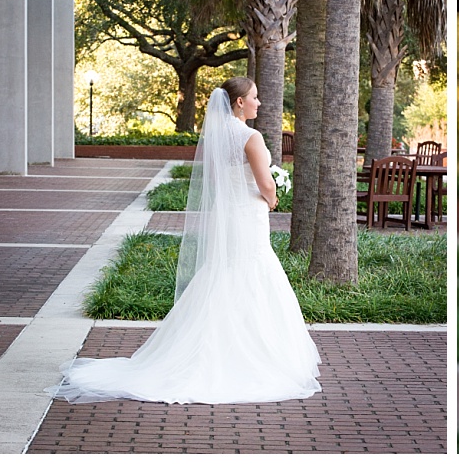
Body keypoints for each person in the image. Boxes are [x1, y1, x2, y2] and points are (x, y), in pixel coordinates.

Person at [47, 77, 322, 404]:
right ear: (238, 103)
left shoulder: (219, 137)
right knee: (252, 272)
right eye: (254, 97)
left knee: (225, 273)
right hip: (248, 214)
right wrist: (275, 196)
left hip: (229, 215)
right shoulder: (251, 137)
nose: (258, 103)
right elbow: (265, 184)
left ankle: (212, 348)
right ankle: (245, 355)